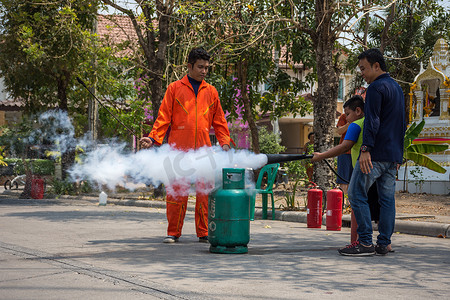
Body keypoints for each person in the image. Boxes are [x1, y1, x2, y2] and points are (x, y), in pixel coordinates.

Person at [140, 48, 232, 243]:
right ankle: (173, 232)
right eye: (200, 67)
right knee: (176, 192)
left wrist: (224, 142)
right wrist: (153, 138)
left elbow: (220, 122)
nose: (204, 71)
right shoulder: (174, 88)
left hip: (204, 151)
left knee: (205, 193)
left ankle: (204, 232)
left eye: (207, 67)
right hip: (178, 151)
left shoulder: (211, 91)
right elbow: (163, 117)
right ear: (189, 66)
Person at [340, 48, 406, 256]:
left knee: (356, 193)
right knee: (387, 199)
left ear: (376, 66)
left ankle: (366, 242)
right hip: (391, 155)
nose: (362, 73)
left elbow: (372, 121)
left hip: (375, 153)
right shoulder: (396, 88)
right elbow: (402, 124)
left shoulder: (376, 88)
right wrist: (398, 155)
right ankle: (384, 243)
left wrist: (366, 149)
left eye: (363, 68)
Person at [312, 96, 382, 246]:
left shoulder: (355, 125)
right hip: (378, 170)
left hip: (363, 167)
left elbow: (344, 146)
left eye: (347, 114)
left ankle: (360, 241)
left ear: (358, 110)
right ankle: (384, 243)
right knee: (379, 204)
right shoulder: (376, 123)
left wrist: (321, 156)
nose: (346, 118)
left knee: (356, 199)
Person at [335, 113, 353, 196]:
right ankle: (342, 203)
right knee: (343, 179)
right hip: (345, 152)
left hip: (359, 152)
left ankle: (350, 204)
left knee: (354, 180)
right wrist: (349, 123)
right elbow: (339, 131)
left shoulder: (366, 115)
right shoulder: (344, 116)